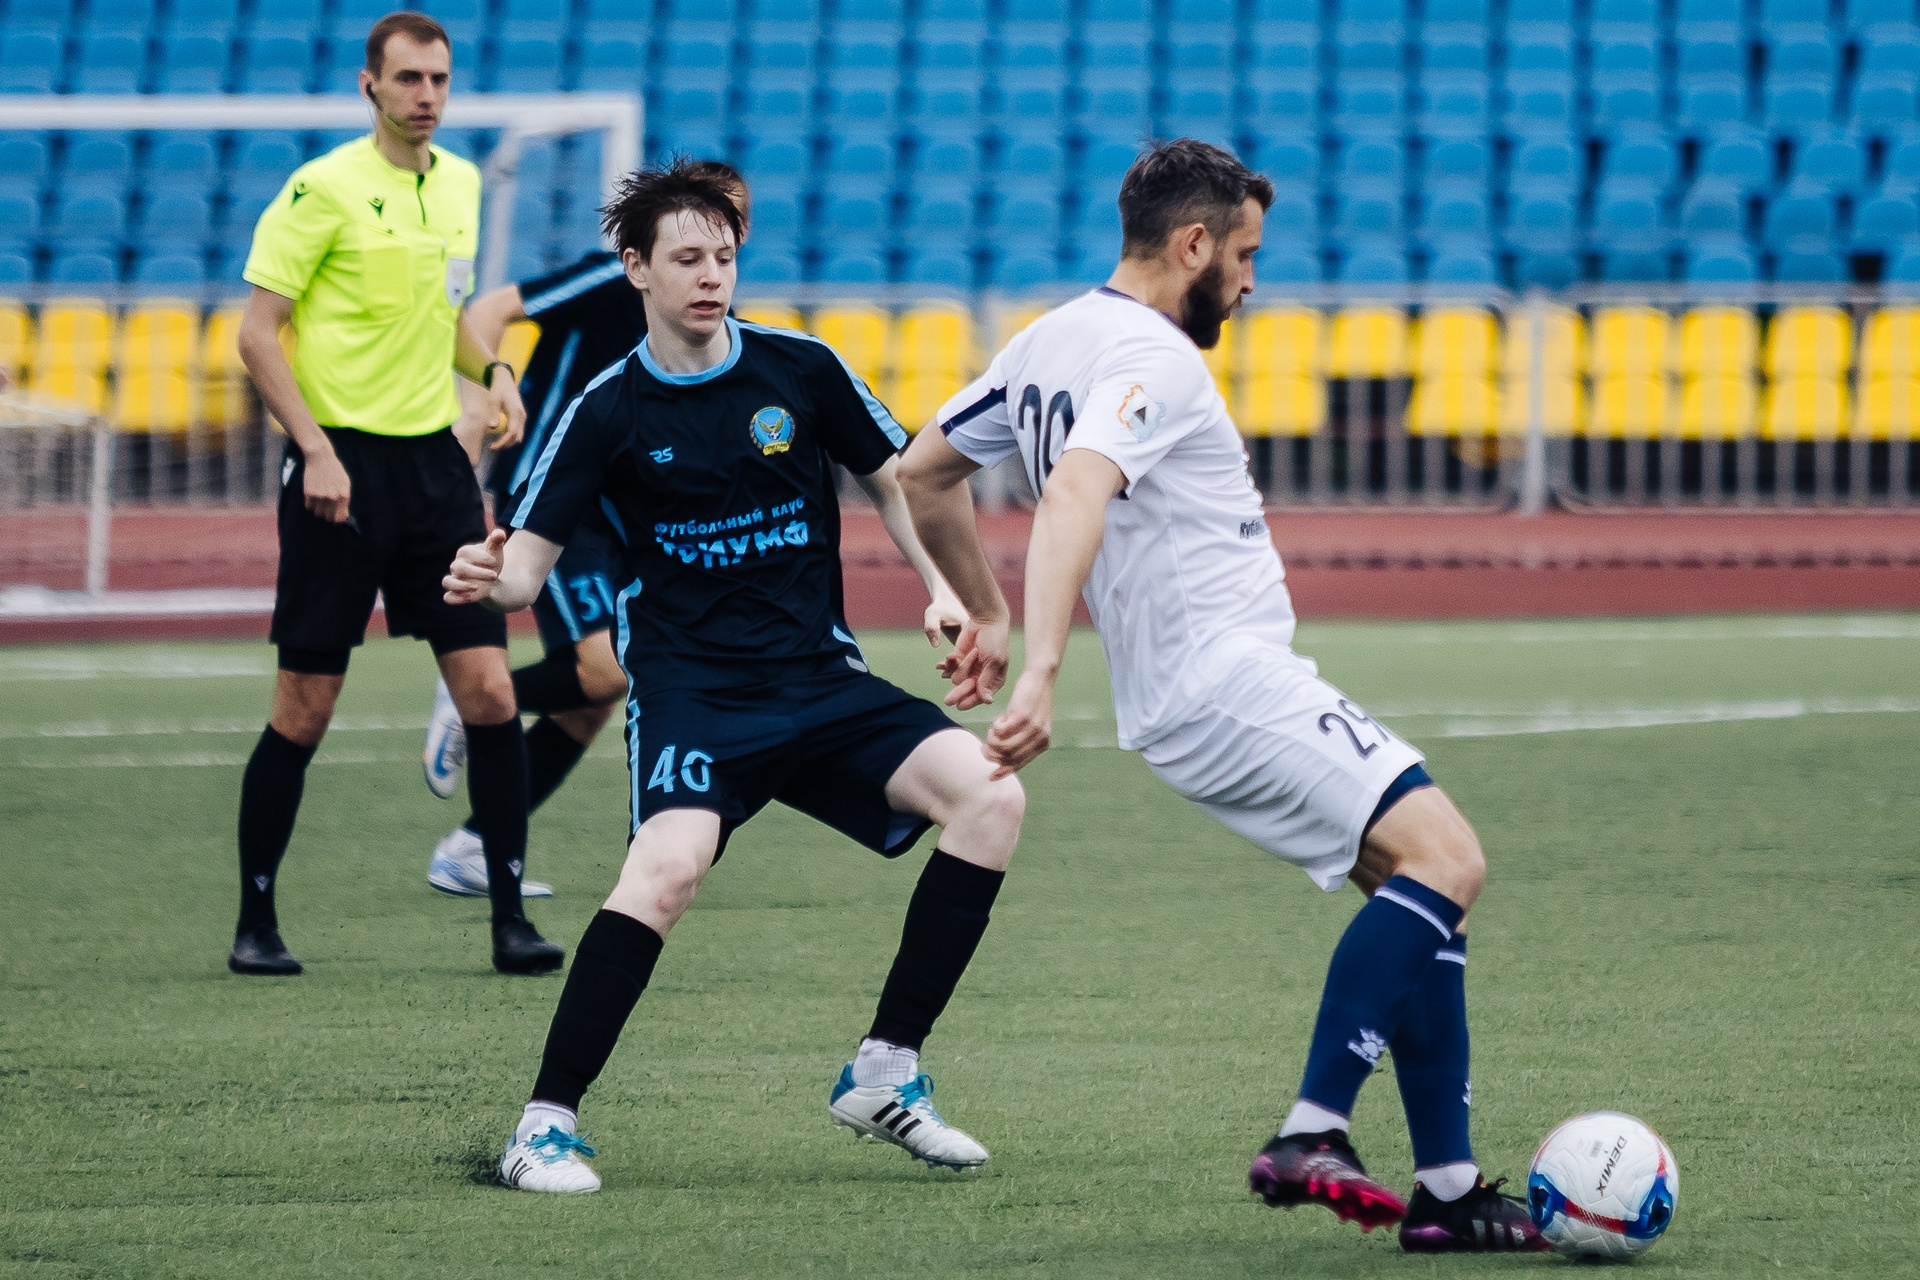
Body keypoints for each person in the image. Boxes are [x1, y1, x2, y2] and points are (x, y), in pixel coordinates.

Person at [896, 138, 1545, 1253]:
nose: (1250, 281)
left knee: (1419, 887)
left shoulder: (1048, 339)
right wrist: (1038, 663)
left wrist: (984, 607)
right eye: (1244, 255)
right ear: (1192, 244)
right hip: (1227, 679)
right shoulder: (1155, 357)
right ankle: (1312, 1129)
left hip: (1189, 697)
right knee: (1450, 859)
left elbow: (922, 471)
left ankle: (1446, 1190)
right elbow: (1074, 491)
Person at [442, 160, 1025, 1194]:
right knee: (665, 873)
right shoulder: (606, 408)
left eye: (723, 256)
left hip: (820, 680)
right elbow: (527, 566)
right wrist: (492, 576)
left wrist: (941, 586)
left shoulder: (802, 367)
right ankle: (542, 1126)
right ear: (636, 268)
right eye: (686, 258)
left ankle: (885, 1070)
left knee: (991, 796)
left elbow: (896, 480)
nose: (711, 275)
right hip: (693, 696)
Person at [228, 9, 562, 977]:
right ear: (369, 85)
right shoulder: (320, 189)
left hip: (434, 473)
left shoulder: (459, 183)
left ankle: (509, 918)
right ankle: (256, 921)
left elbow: (447, 314)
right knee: (306, 706)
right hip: (338, 469)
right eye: (409, 79)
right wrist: (314, 449)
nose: (426, 96)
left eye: (439, 80)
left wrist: (493, 371)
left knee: (490, 691)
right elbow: (256, 333)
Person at [420, 165, 766, 903]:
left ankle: (474, 846)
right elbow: (490, 308)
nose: (721, 242)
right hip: (556, 489)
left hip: (621, 509)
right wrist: (482, 403)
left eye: (732, 231)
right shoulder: (616, 276)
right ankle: (473, 693)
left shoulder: (708, 312)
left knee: (592, 696)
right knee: (607, 670)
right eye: (710, 220)